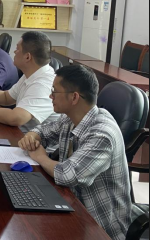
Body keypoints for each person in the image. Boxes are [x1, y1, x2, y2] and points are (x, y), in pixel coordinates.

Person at [19, 65, 139, 240]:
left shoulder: (102, 133)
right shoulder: (71, 117)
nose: (50, 96)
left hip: (99, 226)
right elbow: (44, 131)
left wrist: (40, 157)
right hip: (72, 204)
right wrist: (32, 136)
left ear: (74, 97)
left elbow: (68, 174)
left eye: (54, 91)